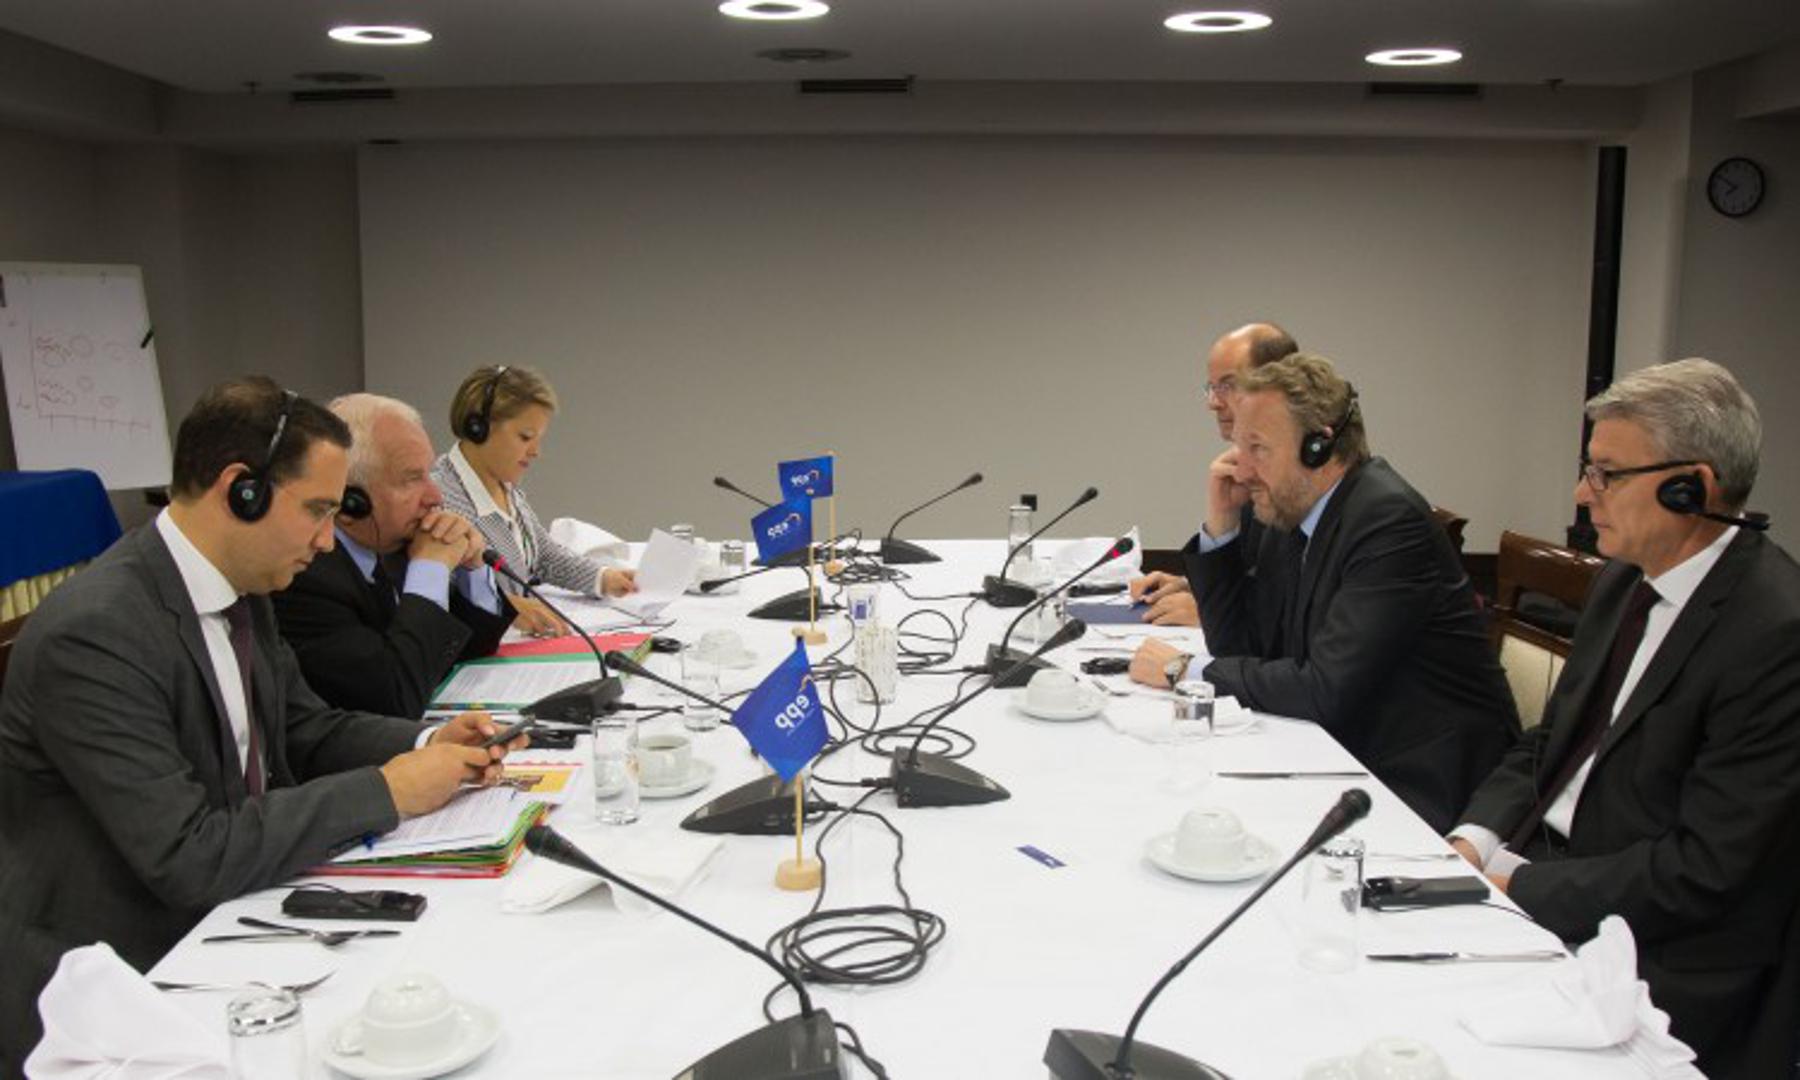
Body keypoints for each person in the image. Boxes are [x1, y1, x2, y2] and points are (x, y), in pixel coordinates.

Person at [0, 378, 525, 1070]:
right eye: (316, 511)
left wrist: (428, 743)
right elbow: (189, 856)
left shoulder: (244, 589)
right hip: (115, 983)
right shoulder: (96, 634)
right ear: (239, 491)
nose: (327, 541)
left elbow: (306, 730)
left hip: (226, 920)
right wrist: (389, 790)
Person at [1449, 359, 1800, 1078]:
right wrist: (1472, 841)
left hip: (1657, 956)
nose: (1583, 494)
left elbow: (1705, 870)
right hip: (1548, 872)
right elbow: (1551, 740)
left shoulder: (1775, 633)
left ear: (1690, 488)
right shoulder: (1624, 580)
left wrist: (1516, 891)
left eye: (1606, 474)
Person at [1129, 353, 1518, 831]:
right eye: (1238, 446)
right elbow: (1242, 648)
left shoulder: (1386, 520)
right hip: (1341, 749)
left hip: (1419, 783)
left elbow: (1323, 689)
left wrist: (1184, 670)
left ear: (1319, 447)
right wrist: (1222, 528)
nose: (1241, 470)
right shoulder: (1295, 513)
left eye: (1258, 448)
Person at [273, 393, 515, 717]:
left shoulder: (393, 546)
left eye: (429, 474)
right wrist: (429, 569)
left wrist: (472, 569)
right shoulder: (304, 577)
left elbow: (469, 649)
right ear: (350, 502)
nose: (435, 496)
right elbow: (395, 697)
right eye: (412, 479)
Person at [432, 365, 636, 636]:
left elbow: (543, 555)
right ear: (478, 428)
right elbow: (435, 595)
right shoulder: (438, 498)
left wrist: (602, 578)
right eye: (525, 437)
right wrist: (505, 606)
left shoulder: (505, 487)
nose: (536, 451)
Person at [1128, 322, 1298, 627]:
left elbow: (1297, 613)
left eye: (1228, 386)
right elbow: (1256, 579)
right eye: (1212, 387)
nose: (1213, 403)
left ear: (1277, 384)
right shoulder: (1247, 472)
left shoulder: (1300, 483)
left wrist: (1211, 613)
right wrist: (1195, 587)